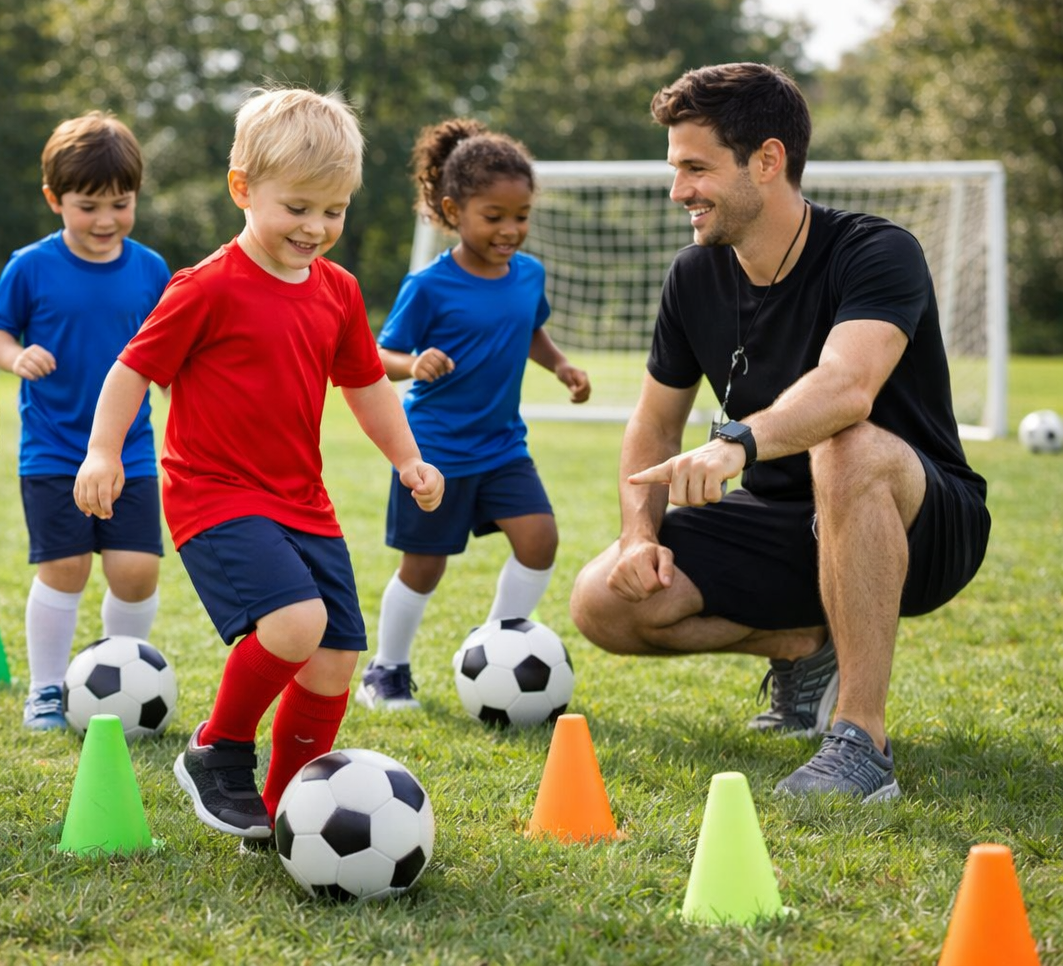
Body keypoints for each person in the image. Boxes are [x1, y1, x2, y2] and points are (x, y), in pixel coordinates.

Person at [567, 63, 990, 802]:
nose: (679, 192)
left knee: (847, 443)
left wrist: (737, 441)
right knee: (602, 600)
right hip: (783, 522)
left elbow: (847, 387)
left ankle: (861, 744)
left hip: (920, 518)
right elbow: (655, 421)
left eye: (695, 168)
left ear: (767, 160)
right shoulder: (693, 277)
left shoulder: (875, 251)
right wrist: (640, 534)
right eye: (676, 170)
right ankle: (803, 647)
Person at [75, 88, 444, 841]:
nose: (316, 228)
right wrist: (104, 450)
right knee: (296, 622)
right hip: (215, 496)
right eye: (298, 208)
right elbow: (130, 370)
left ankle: (283, 818)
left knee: (337, 659)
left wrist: (409, 457)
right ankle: (218, 748)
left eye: (333, 211)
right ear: (243, 190)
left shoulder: (338, 292)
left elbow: (367, 384)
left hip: (302, 500)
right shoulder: (206, 286)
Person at [357, 120, 590, 711]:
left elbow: (529, 327)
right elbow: (378, 360)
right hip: (434, 449)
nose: (511, 230)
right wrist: (415, 363)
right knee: (425, 567)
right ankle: (387, 670)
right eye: (495, 216)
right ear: (453, 210)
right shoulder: (428, 286)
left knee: (539, 539)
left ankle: (496, 645)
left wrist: (560, 366)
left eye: (522, 215)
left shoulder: (529, 274)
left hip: (503, 446)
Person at [0, 112, 170, 731]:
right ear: (54, 199)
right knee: (65, 569)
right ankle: (46, 689)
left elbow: (171, 349)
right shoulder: (30, 265)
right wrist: (15, 355)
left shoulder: (150, 269)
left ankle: (122, 677)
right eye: (89, 206)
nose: (107, 220)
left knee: (136, 570)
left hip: (130, 451)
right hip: (54, 450)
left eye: (121, 203)